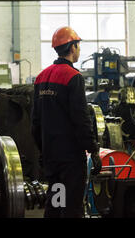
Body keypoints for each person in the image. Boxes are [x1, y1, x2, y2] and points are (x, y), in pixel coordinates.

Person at [31, 26, 102, 218]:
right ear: (72, 48)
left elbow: (35, 121)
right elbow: (81, 119)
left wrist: (42, 149)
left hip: (51, 157)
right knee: (72, 207)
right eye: (78, 45)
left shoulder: (41, 77)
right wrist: (93, 150)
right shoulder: (73, 77)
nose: (79, 50)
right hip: (70, 159)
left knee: (55, 203)